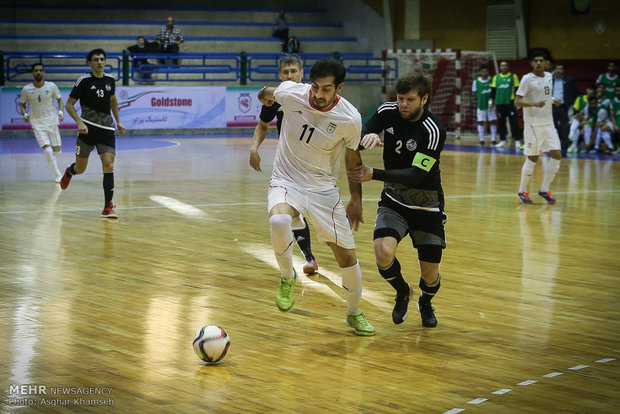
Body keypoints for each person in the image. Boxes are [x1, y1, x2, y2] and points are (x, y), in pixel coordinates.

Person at [256, 58, 375, 336]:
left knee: (347, 259)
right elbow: (268, 94)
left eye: (327, 89)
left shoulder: (350, 119)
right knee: (279, 221)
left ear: (339, 88)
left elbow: (352, 158)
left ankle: (353, 313)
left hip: (323, 189)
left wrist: (356, 199)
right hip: (286, 179)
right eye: (316, 88)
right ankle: (287, 277)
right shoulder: (291, 92)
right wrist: (265, 93)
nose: (319, 95)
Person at [348, 71, 446, 328]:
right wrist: (366, 136)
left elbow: (417, 174)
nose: (403, 104)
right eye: (400, 98)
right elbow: (359, 134)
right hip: (393, 200)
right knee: (382, 252)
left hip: (427, 204)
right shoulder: (388, 110)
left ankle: (425, 301)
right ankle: (402, 291)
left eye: (410, 100)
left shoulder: (433, 130)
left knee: (430, 274)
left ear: (424, 99)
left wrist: (374, 174)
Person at [249, 54, 319, 275]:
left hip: (316, 164)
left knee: (318, 216)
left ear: (301, 72)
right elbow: (262, 125)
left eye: (293, 71)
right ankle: (308, 259)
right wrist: (254, 148)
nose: (289, 75)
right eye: (285, 72)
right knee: (292, 213)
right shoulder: (276, 97)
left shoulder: (313, 95)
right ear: (280, 75)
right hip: (288, 166)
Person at [59, 48, 126, 218]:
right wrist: (79, 122)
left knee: (109, 165)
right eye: (96, 59)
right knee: (81, 169)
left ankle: (107, 207)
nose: (99, 62)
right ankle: (70, 171)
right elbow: (69, 105)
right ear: (90, 63)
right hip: (87, 129)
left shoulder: (110, 80)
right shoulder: (84, 81)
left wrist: (118, 121)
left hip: (107, 129)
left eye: (102, 59)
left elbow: (112, 100)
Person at [515, 49, 562, 205]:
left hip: (548, 124)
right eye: (535, 61)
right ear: (531, 63)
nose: (538, 63)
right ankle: (522, 191)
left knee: (556, 154)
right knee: (533, 157)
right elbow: (517, 101)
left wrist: (554, 100)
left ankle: (544, 189)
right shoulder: (527, 79)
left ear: (546, 63)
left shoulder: (549, 76)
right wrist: (533, 104)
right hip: (533, 126)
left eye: (541, 60)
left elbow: (545, 96)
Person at [19, 63, 65, 183]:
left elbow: (60, 99)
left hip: (52, 121)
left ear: (43, 72)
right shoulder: (26, 89)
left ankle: (53, 160)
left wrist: (60, 111)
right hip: (37, 123)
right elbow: (22, 104)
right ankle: (58, 174)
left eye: (40, 70)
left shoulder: (52, 86)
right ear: (32, 73)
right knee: (47, 150)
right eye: (36, 70)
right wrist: (24, 114)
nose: (38, 72)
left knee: (57, 151)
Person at [491, 61, 523, 149]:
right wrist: (491, 102)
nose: (504, 67)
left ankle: (517, 140)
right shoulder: (496, 77)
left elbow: (518, 89)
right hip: (499, 103)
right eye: (502, 65)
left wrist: (518, 101)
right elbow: (493, 91)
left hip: (510, 103)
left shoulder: (513, 76)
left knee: (514, 122)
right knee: (501, 123)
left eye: (505, 65)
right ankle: (502, 141)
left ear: (508, 67)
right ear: (500, 67)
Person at [551, 63, 579, 157]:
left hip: (563, 107)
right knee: (552, 128)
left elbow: (576, 92)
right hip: (552, 106)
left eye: (561, 69)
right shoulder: (549, 79)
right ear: (555, 69)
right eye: (557, 68)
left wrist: (569, 102)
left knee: (564, 129)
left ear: (563, 71)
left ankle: (564, 150)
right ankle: (553, 149)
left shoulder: (568, 80)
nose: (559, 70)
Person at [472, 64, 497, 146]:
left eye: (486, 71)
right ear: (480, 72)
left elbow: (495, 92)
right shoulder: (476, 82)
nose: (484, 72)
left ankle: (493, 139)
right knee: (480, 122)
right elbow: (474, 93)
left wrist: (492, 101)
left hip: (491, 105)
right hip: (481, 105)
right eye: (482, 71)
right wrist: (477, 101)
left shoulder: (493, 80)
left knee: (493, 121)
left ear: (488, 72)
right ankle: (481, 140)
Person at [567, 84, 595, 153]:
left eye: (592, 90)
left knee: (586, 127)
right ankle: (574, 145)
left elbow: (590, 117)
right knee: (575, 122)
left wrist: (582, 124)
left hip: (589, 120)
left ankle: (586, 147)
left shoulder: (594, 101)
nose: (591, 91)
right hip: (581, 118)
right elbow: (576, 112)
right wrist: (577, 118)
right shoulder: (580, 98)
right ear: (587, 90)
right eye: (589, 89)